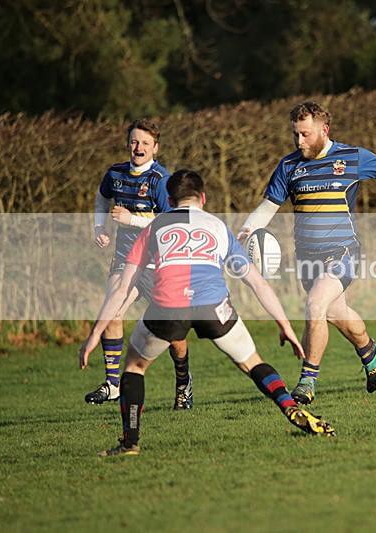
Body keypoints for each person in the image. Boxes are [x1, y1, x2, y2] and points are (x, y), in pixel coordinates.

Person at [79, 169, 335, 457]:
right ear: (203, 197)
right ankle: (290, 407)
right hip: (214, 306)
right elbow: (256, 282)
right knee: (252, 363)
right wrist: (285, 325)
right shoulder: (217, 226)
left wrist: (95, 334)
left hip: (168, 307)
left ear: (170, 200)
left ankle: (130, 442)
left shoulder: (153, 227)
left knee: (135, 368)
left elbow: (122, 289)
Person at [237, 101, 376, 404]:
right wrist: (246, 231)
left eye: (304, 134)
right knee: (335, 312)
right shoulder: (288, 166)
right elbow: (268, 208)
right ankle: (372, 351)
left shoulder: (352, 157)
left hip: (341, 251)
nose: (299, 141)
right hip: (307, 256)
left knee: (315, 304)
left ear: (324, 130)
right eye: (295, 135)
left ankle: (307, 380)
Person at [88, 118, 193, 409]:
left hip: (160, 264)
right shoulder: (116, 173)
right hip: (126, 259)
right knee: (112, 311)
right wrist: (99, 228)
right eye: (134, 142)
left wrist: (131, 219)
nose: (139, 148)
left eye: (145, 143)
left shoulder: (161, 180)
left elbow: (173, 221)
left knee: (174, 334)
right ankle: (112, 384)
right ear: (127, 144)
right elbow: (101, 198)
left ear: (155, 148)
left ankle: (183, 382)